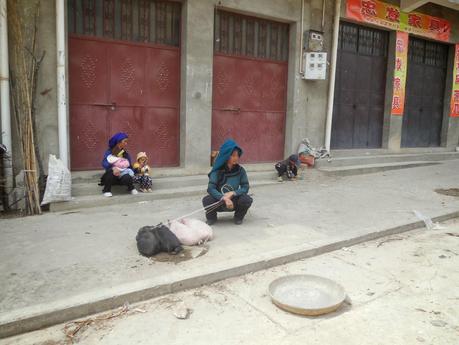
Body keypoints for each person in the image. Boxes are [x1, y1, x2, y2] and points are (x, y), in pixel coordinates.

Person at [202, 139, 253, 225]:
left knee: (246, 199)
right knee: (207, 200)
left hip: (234, 200)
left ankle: (238, 217)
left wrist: (233, 193)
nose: (236, 158)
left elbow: (245, 187)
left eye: (237, 155)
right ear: (226, 156)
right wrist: (224, 198)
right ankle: (211, 218)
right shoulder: (217, 171)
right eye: (233, 155)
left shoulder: (241, 170)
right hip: (220, 200)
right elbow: (211, 189)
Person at [99, 132, 138, 197]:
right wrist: (113, 168)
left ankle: (131, 188)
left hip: (122, 176)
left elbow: (129, 165)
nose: (126, 143)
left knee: (127, 176)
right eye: (125, 141)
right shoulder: (109, 152)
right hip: (112, 177)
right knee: (110, 173)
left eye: (126, 141)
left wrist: (135, 170)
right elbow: (104, 163)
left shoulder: (125, 153)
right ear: (118, 142)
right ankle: (107, 190)